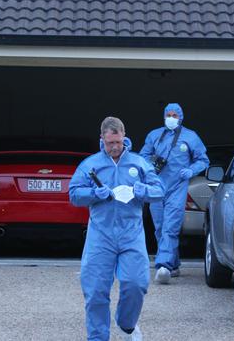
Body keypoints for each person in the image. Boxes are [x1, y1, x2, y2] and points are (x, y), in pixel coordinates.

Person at [69, 116, 164, 341]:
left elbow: (159, 191)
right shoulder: (90, 165)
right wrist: (94, 194)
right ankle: (98, 337)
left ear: (124, 137)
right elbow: (74, 194)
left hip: (131, 234)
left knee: (136, 283)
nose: (114, 147)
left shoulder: (139, 163)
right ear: (102, 138)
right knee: (95, 292)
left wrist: (142, 190)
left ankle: (126, 324)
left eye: (118, 143)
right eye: (109, 143)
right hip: (100, 235)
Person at [140, 103, 209, 284]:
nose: (171, 118)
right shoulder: (154, 136)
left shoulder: (191, 137)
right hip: (156, 187)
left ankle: (163, 265)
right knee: (160, 227)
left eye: (174, 115)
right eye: (168, 115)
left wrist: (191, 170)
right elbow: (143, 156)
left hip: (177, 187)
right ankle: (174, 263)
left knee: (170, 226)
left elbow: (203, 160)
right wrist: (150, 165)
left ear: (181, 117)